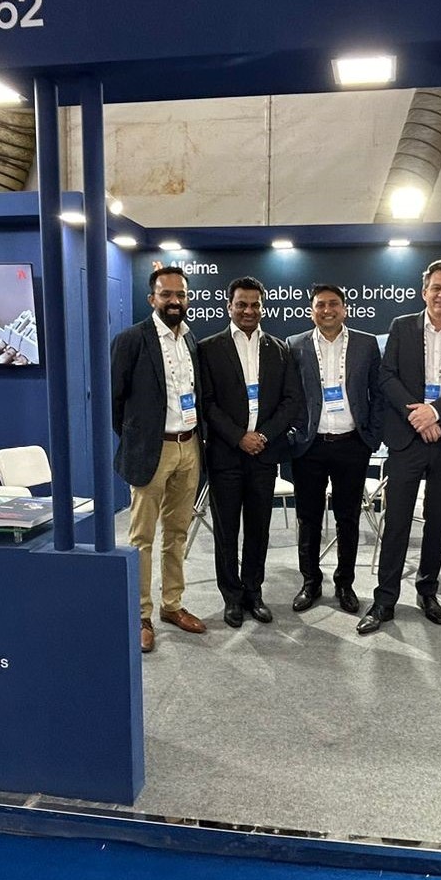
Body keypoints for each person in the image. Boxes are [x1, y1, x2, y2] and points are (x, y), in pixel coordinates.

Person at [357, 259, 441, 635]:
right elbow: (386, 376)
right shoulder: (401, 326)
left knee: (436, 520)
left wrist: (435, 413)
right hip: (407, 437)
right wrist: (418, 416)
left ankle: (428, 591)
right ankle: (384, 599)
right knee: (395, 521)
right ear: (424, 290)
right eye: (437, 287)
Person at [110, 265, 209, 653]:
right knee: (141, 538)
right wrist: (138, 439)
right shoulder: (132, 339)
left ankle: (172, 605)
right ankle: (141, 614)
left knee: (178, 534)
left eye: (180, 295)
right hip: (153, 449)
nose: (174, 301)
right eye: (166, 295)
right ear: (152, 299)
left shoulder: (191, 342)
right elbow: (115, 400)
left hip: (189, 447)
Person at [198, 276, 303, 628]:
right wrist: (238, 436)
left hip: (264, 455)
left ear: (262, 306)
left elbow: (291, 401)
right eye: (241, 304)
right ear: (229, 306)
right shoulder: (209, 348)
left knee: (259, 529)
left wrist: (263, 436)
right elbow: (207, 403)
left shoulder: (279, 349)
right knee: (227, 531)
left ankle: (253, 592)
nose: (248, 310)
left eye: (255, 304)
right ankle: (231, 597)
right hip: (226, 454)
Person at [285, 284, 383, 615]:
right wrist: (294, 433)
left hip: (352, 444)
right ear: (311, 310)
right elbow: (290, 396)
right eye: (321, 305)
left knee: (348, 518)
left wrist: (373, 435)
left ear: (345, 308)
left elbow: (378, 392)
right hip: (310, 445)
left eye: (334, 304)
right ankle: (310, 582)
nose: (327, 310)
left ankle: (345, 583)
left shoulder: (366, 344)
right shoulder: (295, 344)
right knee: (308, 518)